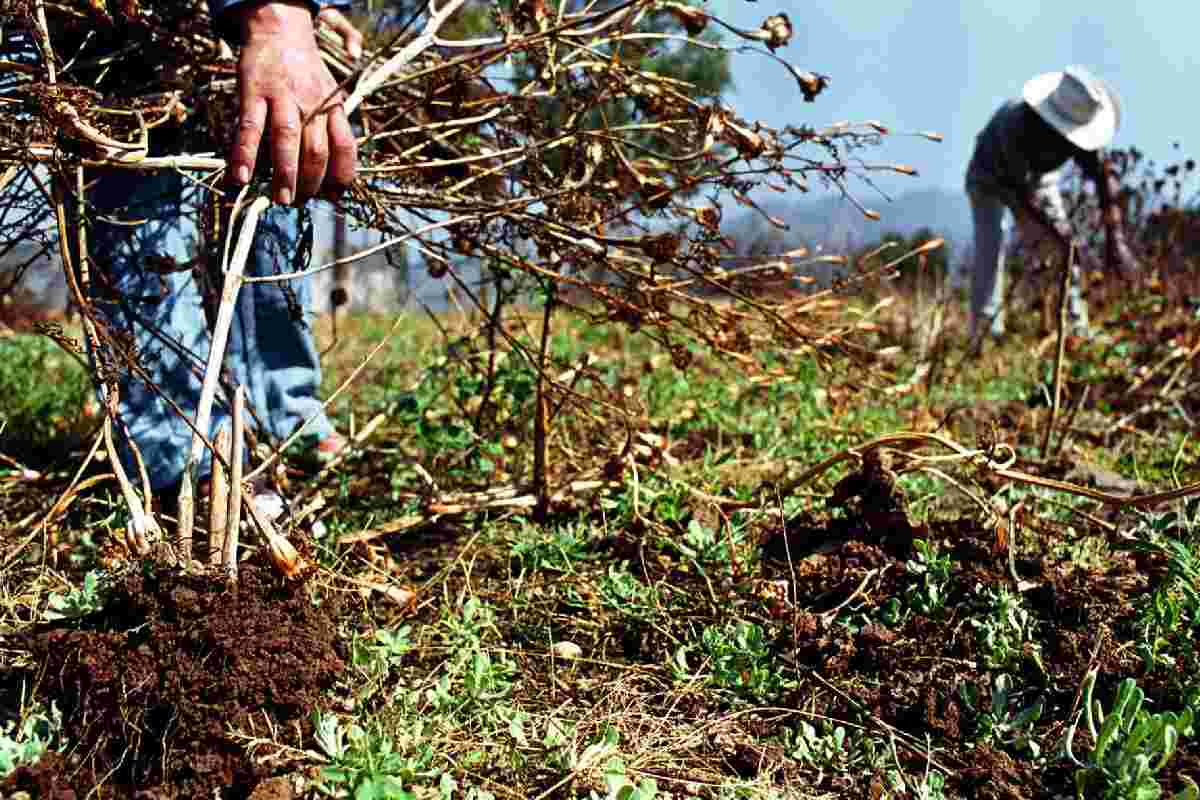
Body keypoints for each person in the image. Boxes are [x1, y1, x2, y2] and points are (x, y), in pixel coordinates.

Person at [86, 0, 361, 494]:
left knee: (274, 143)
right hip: (127, 27)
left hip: (215, 29)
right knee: (139, 141)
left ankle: (284, 410)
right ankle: (182, 444)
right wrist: (274, 11)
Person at [965, 65, 1137, 342]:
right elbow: (1026, 198)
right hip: (989, 177)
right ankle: (984, 336)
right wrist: (1063, 237)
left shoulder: (1081, 128)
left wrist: (1115, 240)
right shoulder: (1016, 124)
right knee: (991, 246)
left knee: (1066, 258)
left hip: (1039, 180)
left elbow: (1105, 178)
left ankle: (1076, 330)